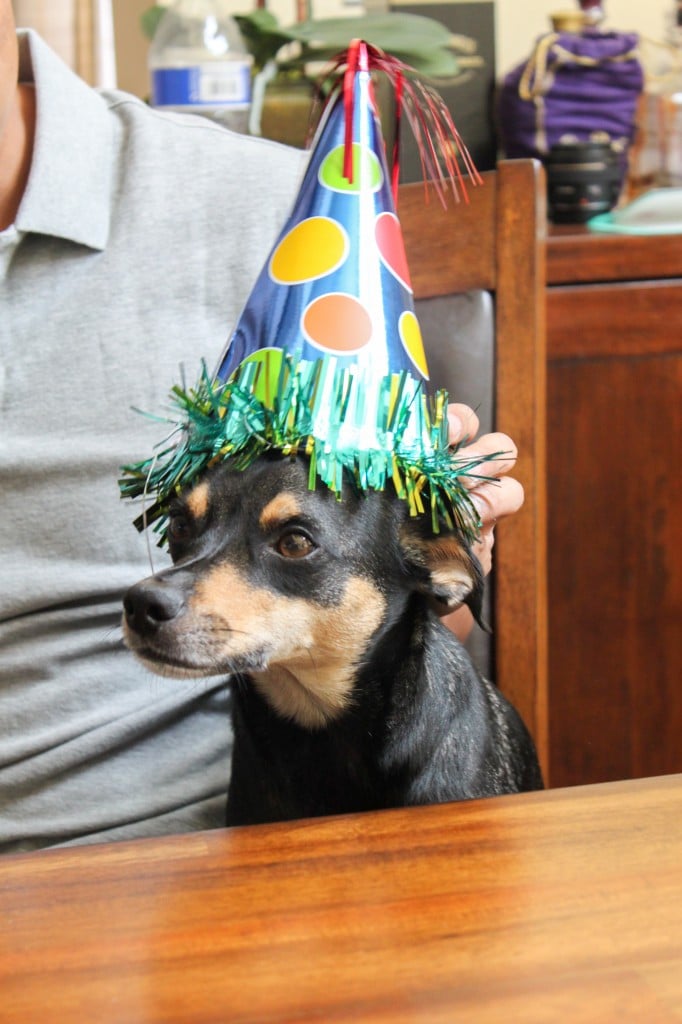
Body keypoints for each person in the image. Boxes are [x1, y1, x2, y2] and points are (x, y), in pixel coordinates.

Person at [0, 8, 523, 853]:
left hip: (202, 858)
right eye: (183, 527)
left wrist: (451, 549)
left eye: (287, 544)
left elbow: (415, 627)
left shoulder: (256, 200)